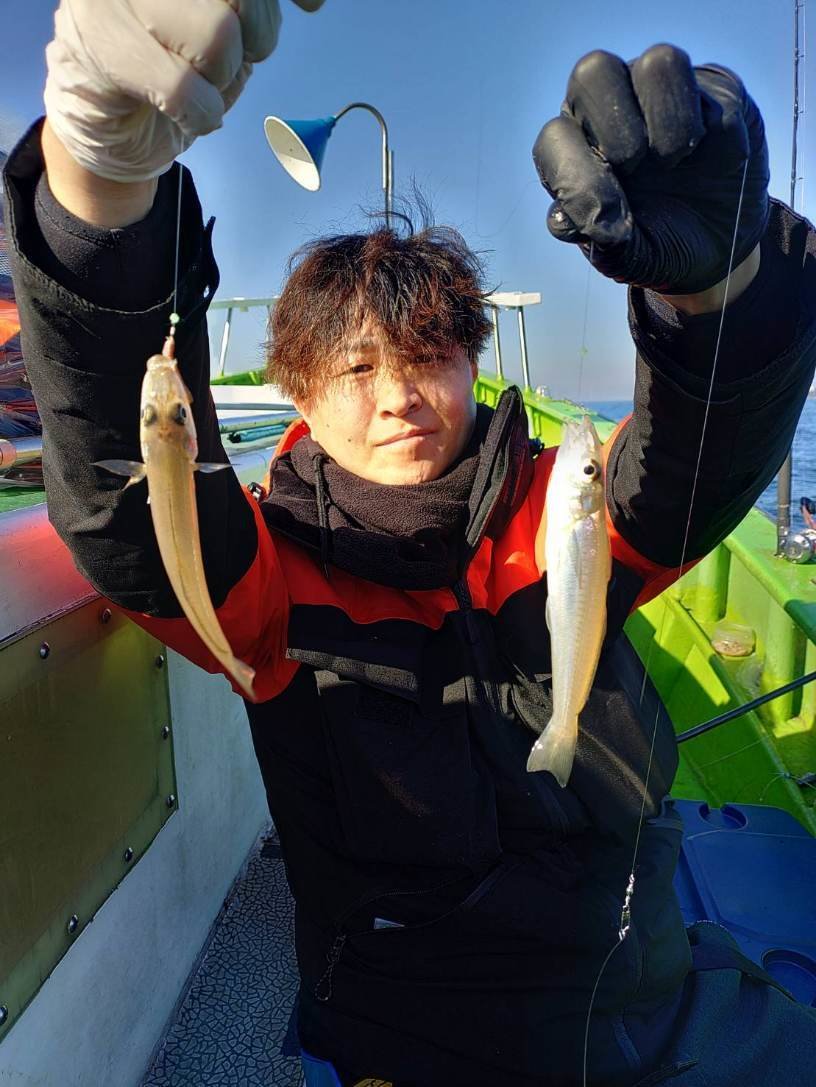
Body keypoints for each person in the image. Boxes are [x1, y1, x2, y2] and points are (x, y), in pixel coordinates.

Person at [6, 3, 816, 1084]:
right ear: (297, 394)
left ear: (472, 363)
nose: (399, 397)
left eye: (430, 353)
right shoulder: (271, 579)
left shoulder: (557, 507)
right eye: (354, 368)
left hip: (651, 996)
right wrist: (96, 178)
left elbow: (699, 457)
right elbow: (127, 494)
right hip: (409, 1041)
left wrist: (720, 292)